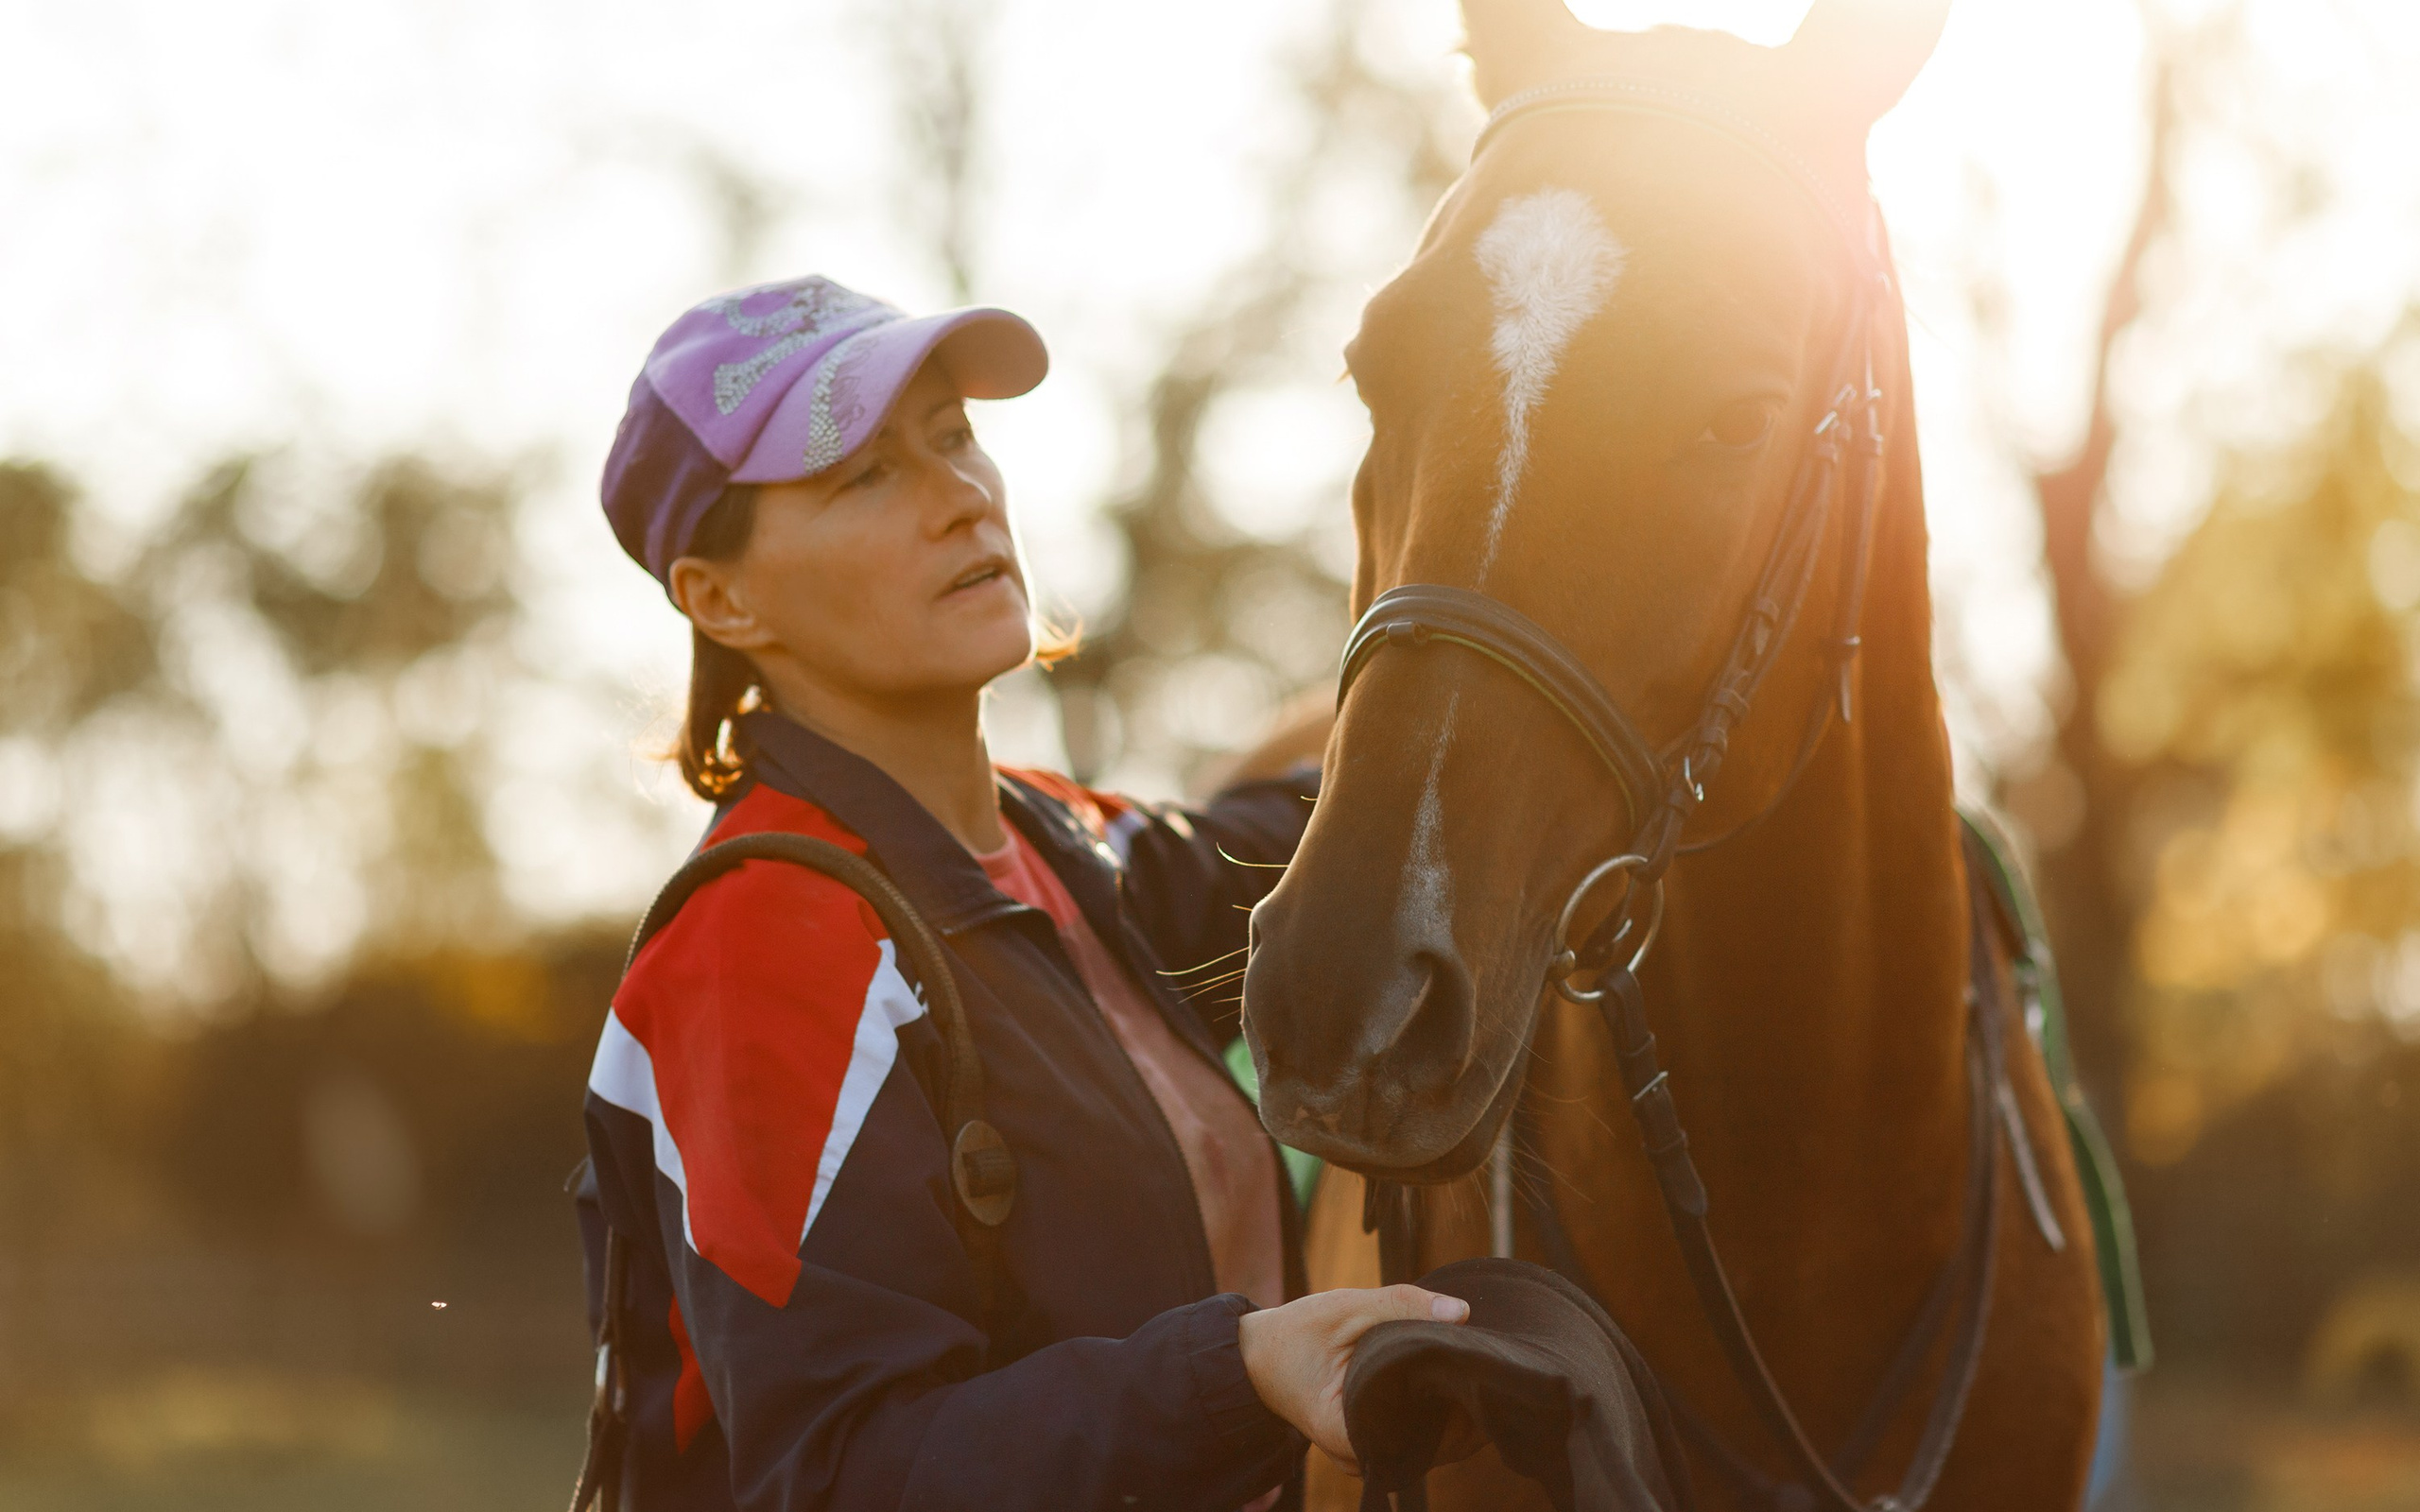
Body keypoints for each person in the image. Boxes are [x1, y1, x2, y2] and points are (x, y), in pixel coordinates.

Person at [577, 275, 1468, 1512]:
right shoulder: (765, 941)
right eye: (863, 474)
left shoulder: (1066, 842)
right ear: (720, 598)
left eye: (952, 435)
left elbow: (1317, 827)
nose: (959, 495)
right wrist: (1242, 1374)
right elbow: (839, 1477)